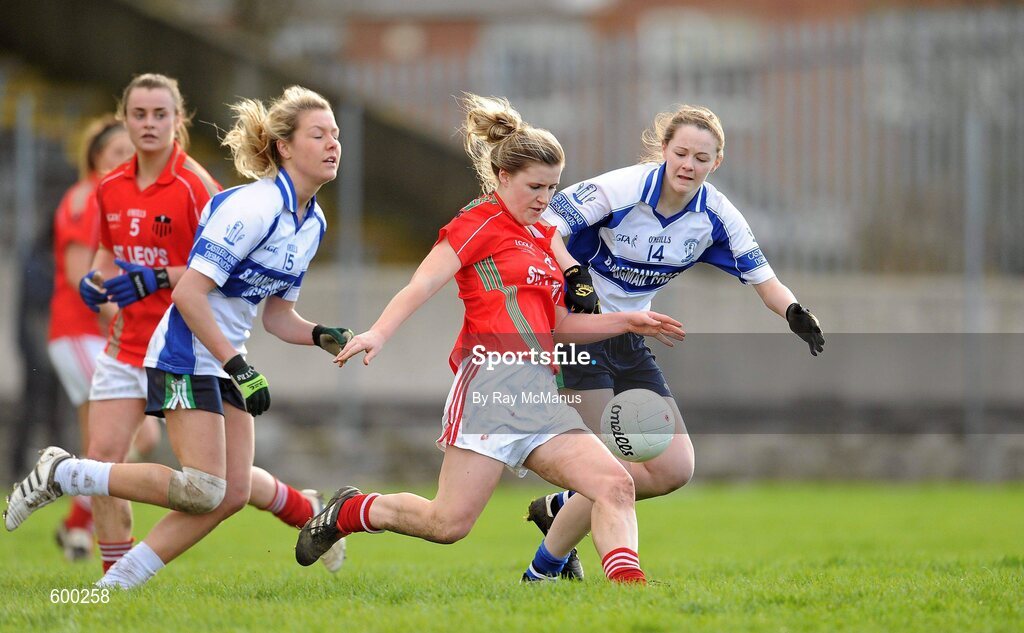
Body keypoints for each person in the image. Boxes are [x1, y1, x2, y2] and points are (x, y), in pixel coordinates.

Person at [293, 94, 685, 585]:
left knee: (615, 484)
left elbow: (559, 324)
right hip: (490, 390)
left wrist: (627, 322)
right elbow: (421, 284)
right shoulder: (478, 222)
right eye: (534, 186)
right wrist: (378, 331)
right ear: (503, 178)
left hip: (542, 391)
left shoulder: (544, 237)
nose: (545, 199)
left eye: (553, 186)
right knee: (447, 524)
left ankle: (630, 593)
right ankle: (350, 511)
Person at [4, 78, 345, 578]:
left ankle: (115, 583)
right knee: (199, 486)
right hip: (184, 349)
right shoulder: (253, 206)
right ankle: (67, 477)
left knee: (225, 494)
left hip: (218, 352)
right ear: (284, 146)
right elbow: (188, 294)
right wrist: (238, 364)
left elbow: (275, 315)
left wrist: (318, 334)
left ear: (177, 120)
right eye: (319, 134)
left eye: (336, 133)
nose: (334, 143)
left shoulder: (311, 223)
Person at [519, 104, 826, 580]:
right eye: (681, 152)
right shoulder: (620, 189)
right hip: (578, 330)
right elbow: (540, 225)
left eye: (701, 157)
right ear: (663, 150)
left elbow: (764, 278)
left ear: (716, 162)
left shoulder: (717, 215)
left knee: (674, 468)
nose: (689, 165)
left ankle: (559, 507)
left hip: (630, 336)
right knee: (610, 466)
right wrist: (573, 273)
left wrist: (793, 311)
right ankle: (542, 573)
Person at [44, 115, 157, 562]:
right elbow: (78, 275)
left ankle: (79, 528)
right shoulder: (86, 195)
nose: (127, 160)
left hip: (95, 337)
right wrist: (129, 317)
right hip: (79, 333)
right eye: (117, 153)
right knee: (141, 435)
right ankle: (67, 495)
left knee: (104, 445)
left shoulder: (117, 197)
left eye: (131, 153)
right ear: (95, 157)